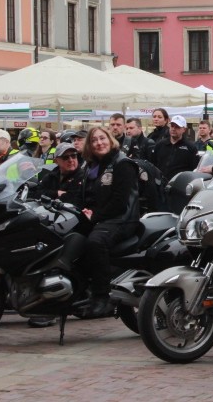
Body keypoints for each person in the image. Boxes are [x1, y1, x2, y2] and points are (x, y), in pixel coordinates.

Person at [80, 126, 140, 317]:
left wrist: (95, 216)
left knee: (95, 243)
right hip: (105, 217)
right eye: (94, 140)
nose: (99, 143)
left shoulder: (122, 164)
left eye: (102, 138)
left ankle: (102, 297)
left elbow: (120, 202)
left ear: (110, 139)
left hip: (122, 219)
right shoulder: (92, 166)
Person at [32, 142, 84, 207]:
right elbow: (37, 193)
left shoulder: (82, 176)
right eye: (65, 157)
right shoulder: (52, 175)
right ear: (56, 161)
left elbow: (72, 199)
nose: (71, 160)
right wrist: (56, 193)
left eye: (73, 156)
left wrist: (49, 195)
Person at [151, 115, 199, 184]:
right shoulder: (160, 145)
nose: (173, 129)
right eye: (172, 126)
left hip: (180, 185)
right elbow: (153, 164)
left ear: (184, 129)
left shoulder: (190, 147)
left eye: (177, 127)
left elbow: (194, 169)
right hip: (160, 184)